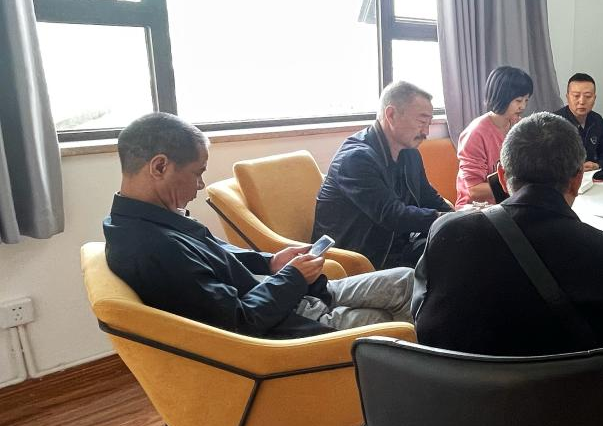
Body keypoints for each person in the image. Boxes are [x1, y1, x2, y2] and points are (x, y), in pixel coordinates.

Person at [103, 113, 413, 339]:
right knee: (390, 321)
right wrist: (293, 277)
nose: (200, 185)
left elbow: (220, 255)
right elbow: (239, 321)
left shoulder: (153, 219)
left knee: (407, 279)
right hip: (287, 321)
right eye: (198, 173)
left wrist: (271, 261)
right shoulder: (152, 248)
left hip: (285, 296)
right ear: (159, 166)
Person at [414, 112, 603, 359]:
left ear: (502, 177)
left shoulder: (448, 233)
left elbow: (423, 323)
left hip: (460, 383)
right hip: (568, 385)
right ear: (577, 180)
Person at [312, 81, 452, 270]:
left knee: (464, 247)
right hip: (358, 257)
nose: (426, 132)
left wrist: (461, 218)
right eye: (421, 122)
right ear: (391, 115)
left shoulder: (409, 153)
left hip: (398, 248)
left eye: (429, 124)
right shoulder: (356, 158)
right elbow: (392, 215)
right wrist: (445, 219)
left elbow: (428, 197)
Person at [456, 65, 534, 206]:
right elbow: (474, 190)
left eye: (526, 100)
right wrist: (520, 187)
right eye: (518, 100)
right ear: (501, 97)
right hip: (477, 208)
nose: (523, 106)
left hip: (509, 202)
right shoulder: (475, 134)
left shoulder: (519, 126)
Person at [554, 72, 603, 184]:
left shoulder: (596, 119)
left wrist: (598, 164)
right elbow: (549, 161)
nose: (582, 101)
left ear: (594, 98)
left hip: (594, 175)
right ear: (567, 97)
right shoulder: (554, 122)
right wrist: (576, 168)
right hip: (565, 180)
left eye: (588, 96)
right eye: (576, 96)